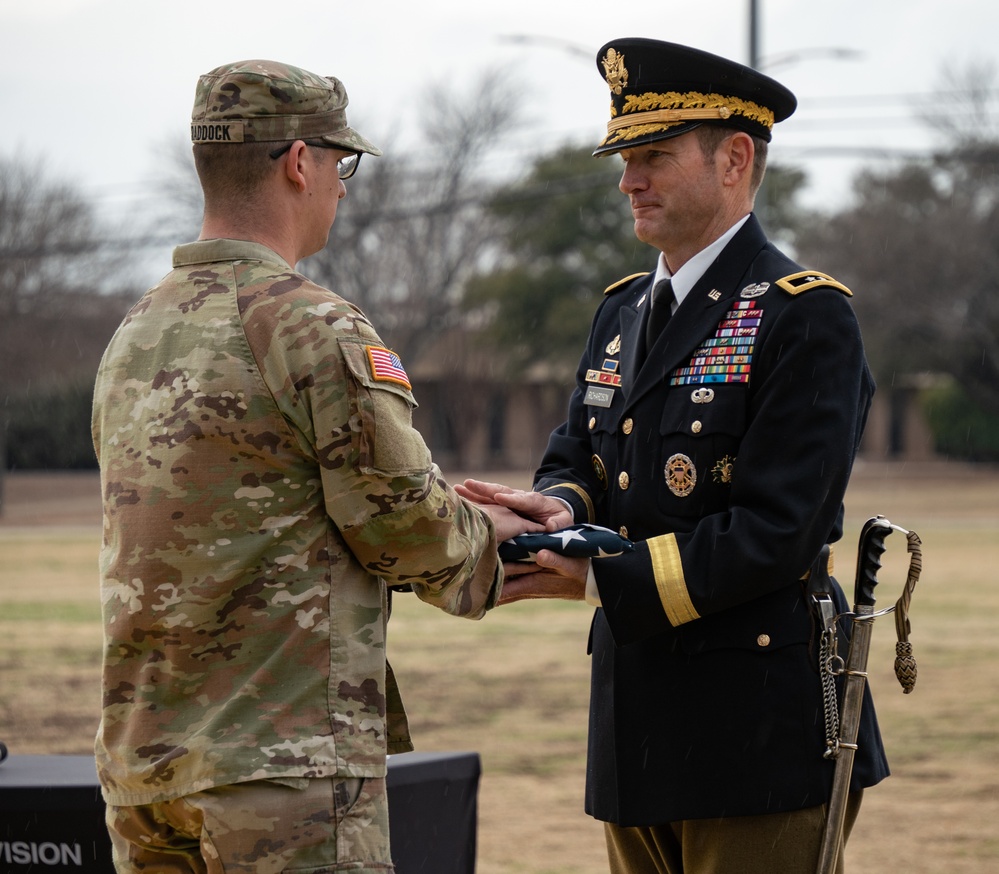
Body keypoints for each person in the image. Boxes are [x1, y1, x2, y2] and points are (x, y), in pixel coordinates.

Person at [91, 59, 541, 874]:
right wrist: (495, 534)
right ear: (300, 162)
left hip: (142, 772)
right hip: (278, 768)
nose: (341, 186)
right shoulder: (309, 324)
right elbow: (400, 522)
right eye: (342, 164)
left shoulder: (134, 333)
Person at [458, 38, 890, 874]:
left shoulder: (802, 316)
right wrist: (560, 513)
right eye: (625, 158)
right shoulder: (623, 309)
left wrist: (598, 578)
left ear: (734, 159)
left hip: (755, 730)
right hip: (635, 717)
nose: (628, 180)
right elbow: (578, 456)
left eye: (652, 156)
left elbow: (778, 531)